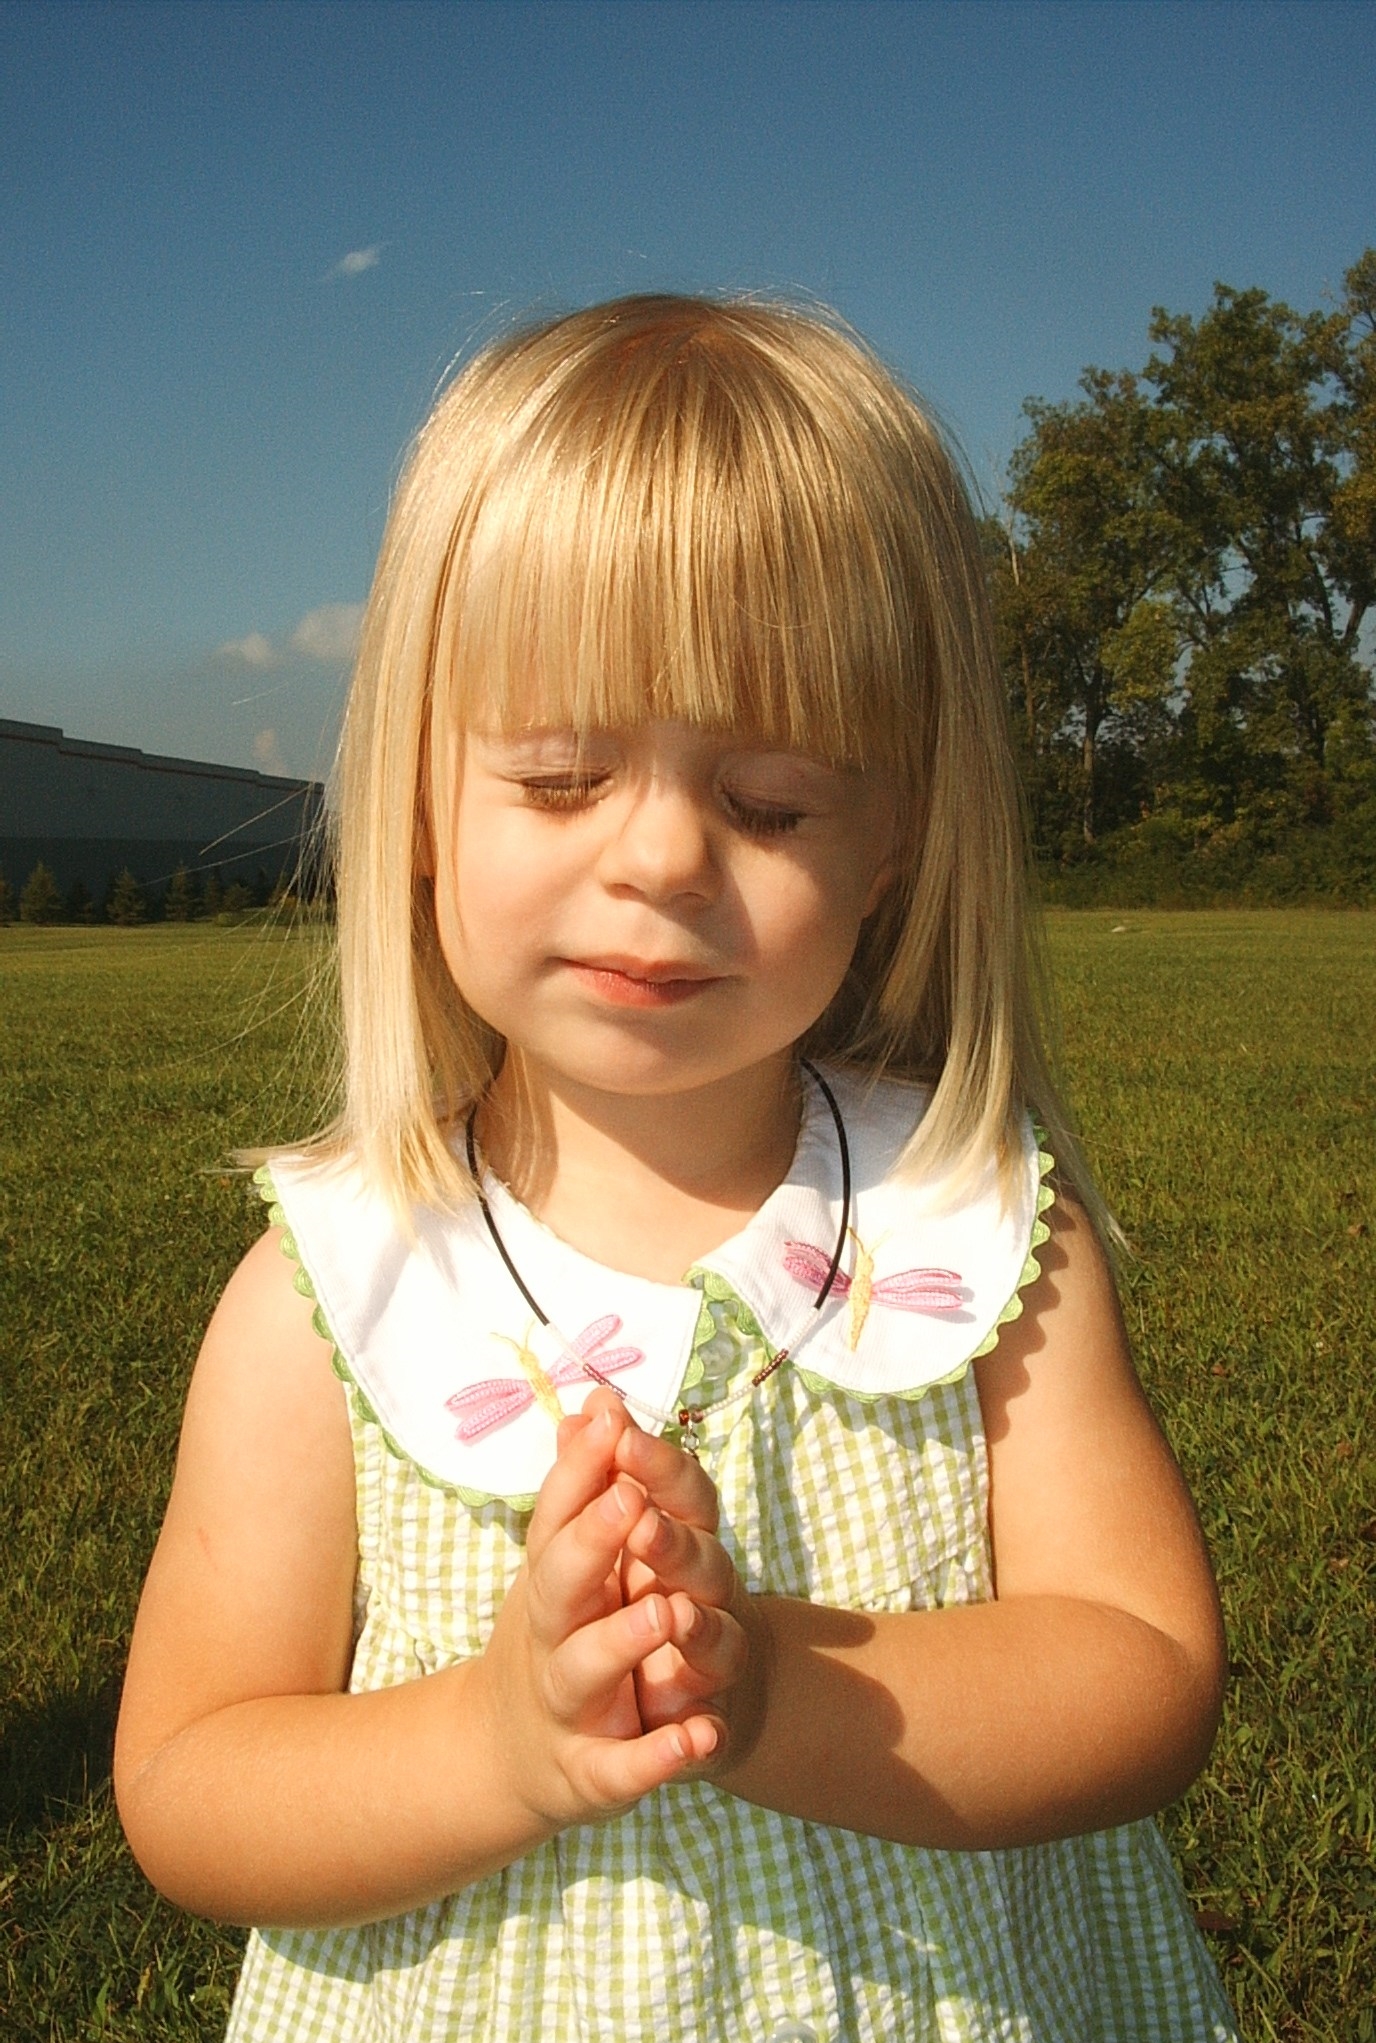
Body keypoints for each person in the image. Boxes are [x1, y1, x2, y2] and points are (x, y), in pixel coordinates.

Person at [115, 294, 1239, 2042]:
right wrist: (498, 1740)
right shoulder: (332, 1297)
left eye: (774, 802)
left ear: (893, 845)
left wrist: (775, 1685)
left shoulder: (986, 1235)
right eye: (561, 777)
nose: (659, 856)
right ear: (415, 803)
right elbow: (190, 1779)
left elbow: (1149, 1676)